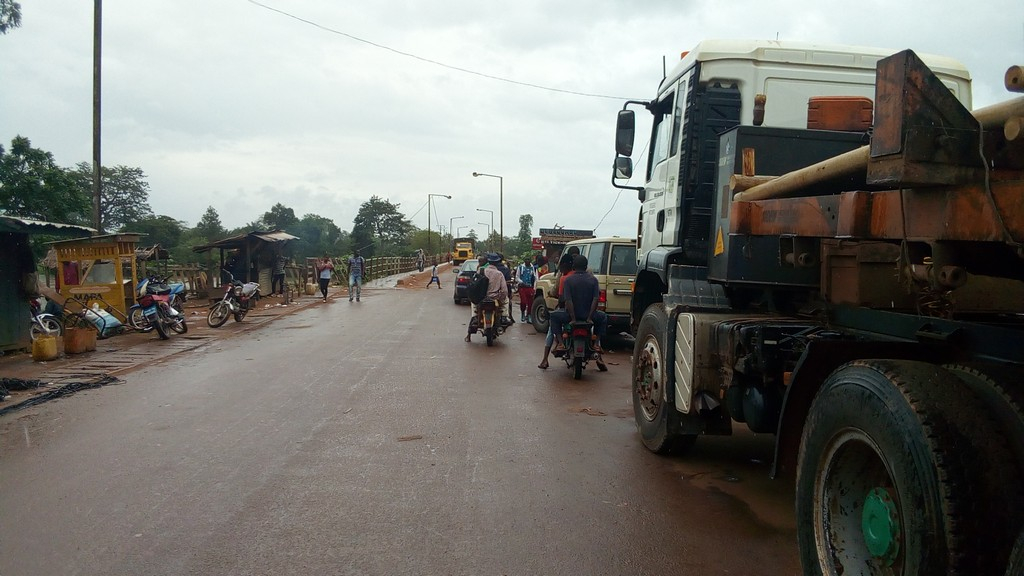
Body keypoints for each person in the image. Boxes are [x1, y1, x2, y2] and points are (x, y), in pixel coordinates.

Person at [560, 254, 608, 370]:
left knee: (553, 317)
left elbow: (568, 300)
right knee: (604, 317)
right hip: (588, 316)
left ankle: (560, 343)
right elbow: (595, 300)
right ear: (586, 266)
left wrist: (573, 318)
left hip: (572, 316)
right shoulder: (593, 280)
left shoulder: (568, 280)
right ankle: (596, 343)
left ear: (574, 266)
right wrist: (590, 317)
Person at [537, 253, 575, 369]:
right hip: (585, 312)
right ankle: (599, 358)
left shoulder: (564, 277)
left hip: (568, 311)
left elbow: (560, 296)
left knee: (551, 326)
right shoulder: (589, 275)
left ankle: (546, 358)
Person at [465, 253, 509, 342]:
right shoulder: (499, 274)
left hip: (481, 299)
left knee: (474, 305)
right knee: (507, 300)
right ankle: (504, 316)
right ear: (497, 263)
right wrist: (501, 298)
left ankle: (475, 317)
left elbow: (475, 285)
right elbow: (504, 291)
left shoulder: (481, 271)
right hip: (495, 299)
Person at [516, 258, 536, 323]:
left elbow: (535, 277)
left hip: (530, 287)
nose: (527, 261)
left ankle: (529, 315)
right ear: (524, 261)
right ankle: (522, 313)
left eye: (529, 260)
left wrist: (534, 287)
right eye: (526, 260)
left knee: (530, 302)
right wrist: (521, 282)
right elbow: (517, 277)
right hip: (522, 287)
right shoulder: (520, 267)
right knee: (523, 301)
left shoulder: (533, 268)